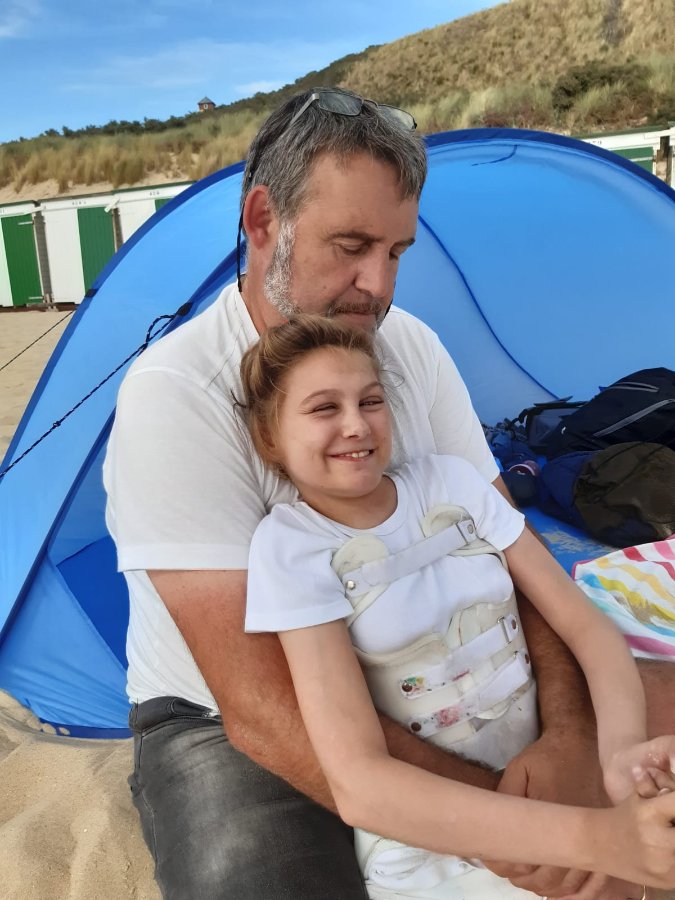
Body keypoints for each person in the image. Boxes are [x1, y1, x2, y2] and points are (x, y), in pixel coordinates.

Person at [103, 87, 674, 900]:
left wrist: (568, 736)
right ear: (263, 222)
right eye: (351, 246)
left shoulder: (406, 348)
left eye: (397, 251)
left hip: (444, 665)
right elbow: (261, 707)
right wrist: (514, 821)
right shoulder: (177, 392)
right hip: (231, 718)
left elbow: (508, 551)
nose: (376, 285)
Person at [241, 314, 675, 899]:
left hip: (556, 771)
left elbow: (584, 626)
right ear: (269, 437)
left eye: (371, 401)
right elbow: (359, 782)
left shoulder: (451, 484)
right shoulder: (292, 548)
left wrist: (620, 755)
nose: (356, 425)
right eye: (324, 408)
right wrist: (593, 838)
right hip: (435, 834)